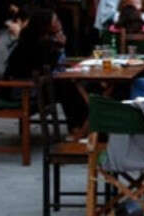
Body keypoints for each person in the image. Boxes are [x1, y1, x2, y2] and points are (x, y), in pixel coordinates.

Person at [5, 9, 87, 138]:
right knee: (66, 87)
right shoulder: (33, 41)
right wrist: (59, 48)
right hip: (22, 88)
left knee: (73, 85)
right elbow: (46, 66)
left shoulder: (46, 38)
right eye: (55, 21)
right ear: (45, 25)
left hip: (36, 83)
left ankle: (82, 126)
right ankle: (78, 128)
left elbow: (51, 67)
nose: (59, 23)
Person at [0, 9, 28, 79]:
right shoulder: (3, 42)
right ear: (19, 21)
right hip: (12, 82)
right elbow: (1, 72)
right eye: (29, 24)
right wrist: (19, 37)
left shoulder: (28, 36)